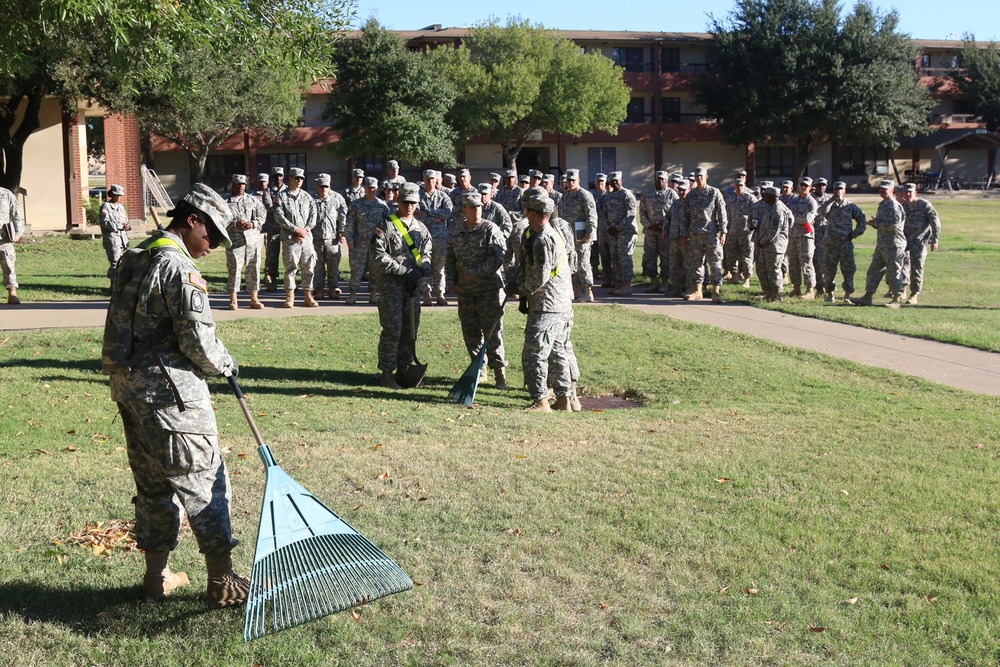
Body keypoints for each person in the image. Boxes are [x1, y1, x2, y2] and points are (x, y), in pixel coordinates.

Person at [101, 183, 249, 608]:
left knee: (152, 487)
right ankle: (222, 582)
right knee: (205, 483)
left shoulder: (136, 256)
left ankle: (157, 577)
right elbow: (198, 342)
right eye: (213, 236)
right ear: (192, 220)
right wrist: (225, 364)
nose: (214, 246)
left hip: (130, 392)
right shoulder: (177, 267)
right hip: (173, 397)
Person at [515, 192, 574, 412]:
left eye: (527, 211)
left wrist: (520, 289)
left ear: (532, 213)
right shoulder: (547, 234)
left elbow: (539, 277)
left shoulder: (543, 239)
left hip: (547, 304)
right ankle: (563, 399)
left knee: (534, 352)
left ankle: (541, 400)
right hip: (559, 303)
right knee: (557, 350)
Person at [370, 183, 432, 388]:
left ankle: (404, 368)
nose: (410, 206)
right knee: (392, 328)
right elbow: (379, 256)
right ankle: (387, 373)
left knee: (410, 329)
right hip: (391, 286)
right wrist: (404, 272)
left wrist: (421, 271)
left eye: (413, 203)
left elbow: (427, 254)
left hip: (412, 287)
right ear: (398, 200)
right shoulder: (385, 225)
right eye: (406, 202)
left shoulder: (421, 229)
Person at [445, 192, 509, 389]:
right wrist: (451, 281)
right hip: (466, 292)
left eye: (479, 206)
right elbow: (450, 258)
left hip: (489, 291)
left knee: (493, 333)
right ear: (464, 209)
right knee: (471, 333)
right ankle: (480, 370)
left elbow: (498, 258)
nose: (476, 210)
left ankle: (500, 374)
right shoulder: (457, 232)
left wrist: (475, 273)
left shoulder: (491, 229)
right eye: (472, 207)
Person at [852, 180, 906, 308]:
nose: (882, 191)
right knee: (874, 270)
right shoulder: (882, 205)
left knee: (894, 271)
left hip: (894, 245)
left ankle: (897, 300)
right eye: (881, 189)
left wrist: (876, 223)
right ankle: (867, 296)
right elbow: (883, 225)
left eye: (885, 189)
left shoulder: (894, 206)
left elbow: (894, 226)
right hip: (882, 244)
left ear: (892, 190)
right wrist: (876, 223)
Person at [681, 166, 728, 303]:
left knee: (715, 263)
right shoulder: (691, 195)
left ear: (706, 177)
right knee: (696, 263)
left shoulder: (714, 193)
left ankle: (716, 292)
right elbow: (685, 216)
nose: (699, 178)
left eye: (701, 176)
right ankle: (697, 291)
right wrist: (684, 234)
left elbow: (722, 213)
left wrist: (723, 231)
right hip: (695, 234)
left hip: (711, 234)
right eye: (696, 177)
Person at [274, 167, 318, 308]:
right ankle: (290, 296)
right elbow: (278, 216)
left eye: (301, 178)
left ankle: (308, 296)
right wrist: (295, 230)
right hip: (290, 239)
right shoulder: (281, 197)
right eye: (296, 178)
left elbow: (314, 216)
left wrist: (305, 230)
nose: (299, 180)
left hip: (306, 239)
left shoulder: (307, 197)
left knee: (309, 267)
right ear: (290, 178)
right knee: (290, 268)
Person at [816, 181, 866, 302]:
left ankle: (847, 295)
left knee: (848, 269)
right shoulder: (829, 205)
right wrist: (832, 199)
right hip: (830, 243)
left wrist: (854, 234)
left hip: (845, 243)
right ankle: (830, 294)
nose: (838, 191)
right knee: (828, 269)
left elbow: (862, 220)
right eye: (836, 189)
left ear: (845, 191)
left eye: (841, 189)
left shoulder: (850, 206)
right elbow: (821, 212)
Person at [344, 177, 390, 305]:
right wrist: (350, 240)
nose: (371, 190)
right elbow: (350, 224)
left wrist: (383, 238)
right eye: (369, 188)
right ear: (364, 188)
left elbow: (389, 224)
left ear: (377, 188)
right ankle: (353, 294)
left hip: (376, 244)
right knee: (356, 270)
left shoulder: (382, 205)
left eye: (373, 188)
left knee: (375, 270)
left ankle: (373, 294)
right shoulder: (356, 204)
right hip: (359, 243)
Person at [224, 174, 266, 310]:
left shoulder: (252, 200)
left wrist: (253, 223)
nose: (241, 187)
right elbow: (220, 219)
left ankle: (254, 298)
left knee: (253, 269)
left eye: (243, 184)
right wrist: (234, 223)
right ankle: (233, 300)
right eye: (238, 184)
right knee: (234, 269)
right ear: (232, 184)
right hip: (235, 241)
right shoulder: (225, 202)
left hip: (252, 240)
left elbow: (262, 214)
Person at [557, 168, 598, 302]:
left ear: (578, 181)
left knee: (583, 263)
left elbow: (591, 216)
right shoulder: (565, 196)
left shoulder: (585, 195)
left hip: (582, 236)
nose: (571, 183)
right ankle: (576, 291)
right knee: (571, 263)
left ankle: (588, 292)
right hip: (568, 237)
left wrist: (590, 234)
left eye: (573, 180)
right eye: (568, 180)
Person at [415, 169, 454, 307]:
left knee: (439, 267)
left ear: (436, 180)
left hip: (440, 238)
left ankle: (440, 294)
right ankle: (426, 293)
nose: (431, 181)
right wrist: (436, 218)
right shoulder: (418, 197)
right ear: (424, 180)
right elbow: (417, 216)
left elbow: (448, 212)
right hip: (422, 238)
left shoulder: (443, 197)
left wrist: (429, 214)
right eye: (428, 179)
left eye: (433, 179)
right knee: (424, 265)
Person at [898, 183, 941, 305]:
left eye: (910, 192)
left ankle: (914, 294)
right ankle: (903, 289)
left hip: (920, 241)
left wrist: (934, 240)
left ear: (915, 193)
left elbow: (935, 222)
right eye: (905, 193)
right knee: (901, 265)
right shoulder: (902, 206)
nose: (907, 195)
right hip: (905, 241)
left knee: (917, 267)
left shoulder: (924, 205)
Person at [751, 186, 792, 302]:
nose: (764, 198)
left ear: (772, 197)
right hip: (766, 245)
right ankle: (769, 293)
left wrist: (762, 241)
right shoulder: (771, 207)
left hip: (774, 246)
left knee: (773, 270)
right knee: (763, 269)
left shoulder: (778, 209)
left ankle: (777, 296)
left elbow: (774, 231)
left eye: (766, 195)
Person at [639, 171, 676, 293]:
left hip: (665, 232)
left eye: (662, 180)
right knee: (650, 257)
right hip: (651, 232)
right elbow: (642, 213)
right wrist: (650, 225)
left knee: (665, 257)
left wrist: (665, 226)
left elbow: (676, 214)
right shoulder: (647, 194)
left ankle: (665, 282)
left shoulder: (672, 195)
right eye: (658, 180)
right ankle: (654, 282)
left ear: (667, 181)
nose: (660, 182)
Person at [602, 171, 638, 296]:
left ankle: (627, 285)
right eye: (612, 181)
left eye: (617, 180)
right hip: (612, 233)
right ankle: (618, 283)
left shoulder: (627, 194)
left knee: (624, 258)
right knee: (615, 258)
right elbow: (605, 214)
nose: (615, 182)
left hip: (626, 232)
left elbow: (631, 214)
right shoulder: (608, 197)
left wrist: (618, 227)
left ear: (621, 180)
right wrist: (609, 227)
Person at [313, 173, 348, 299]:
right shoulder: (313, 202)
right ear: (317, 186)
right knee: (318, 267)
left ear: (329, 187)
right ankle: (319, 289)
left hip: (332, 239)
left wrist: (342, 232)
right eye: (321, 186)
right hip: (316, 240)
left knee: (333, 267)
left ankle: (333, 288)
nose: (323, 189)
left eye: (326, 187)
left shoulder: (336, 202)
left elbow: (342, 218)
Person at [785, 177, 818, 298]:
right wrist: (797, 218)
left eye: (806, 185)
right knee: (793, 262)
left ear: (810, 188)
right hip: (793, 236)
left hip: (805, 236)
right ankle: (796, 288)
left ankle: (810, 290)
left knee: (806, 262)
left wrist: (795, 218)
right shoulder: (793, 201)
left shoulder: (811, 202)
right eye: (802, 185)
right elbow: (788, 216)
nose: (803, 187)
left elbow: (808, 218)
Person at [723, 176, 758, 288]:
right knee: (731, 253)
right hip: (733, 230)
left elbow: (757, 213)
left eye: (741, 186)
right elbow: (728, 213)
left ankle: (746, 278)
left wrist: (753, 226)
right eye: (737, 186)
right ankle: (733, 276)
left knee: (747, 255)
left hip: (747, 232)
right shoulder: (731, 199)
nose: (739, 188)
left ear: (745, 186)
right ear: (734, 187)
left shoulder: (750, 198)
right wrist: (727, 227)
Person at [261, 167, 287, 291]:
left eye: (280, 175)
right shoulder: (267, 191)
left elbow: (290, 208)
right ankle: (273, 281)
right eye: (276, 175)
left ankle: (290, 281)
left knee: (290, 255)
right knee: (272, 256)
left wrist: (277, 202)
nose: (278, 178)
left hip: (287, 227)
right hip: (273, 227)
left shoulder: (288, 190)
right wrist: (278, 204)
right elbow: (268, 207)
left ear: (283, 176)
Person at [100, 184, 131, 284]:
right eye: (116, 195)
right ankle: (113, 285)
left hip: (123, 240)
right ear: (111, 194)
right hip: (112, 239)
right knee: (115, 262)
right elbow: (105, 222)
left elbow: (126, 220)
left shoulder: (121, 207)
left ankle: (120, 284)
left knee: (123, 263)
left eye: (119, 195)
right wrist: (119, 226)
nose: (118, 197)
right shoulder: (106, 207)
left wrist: (127, 226)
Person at [663, 179, 689, 297]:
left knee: (688, 265)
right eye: (680, 190)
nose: (682, 192)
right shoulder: (676, 203)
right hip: (674, 238)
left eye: (684, 190)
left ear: (689, 189)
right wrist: (665, 231)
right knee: (674, 265)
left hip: (687, 240)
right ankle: (676, 288)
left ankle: (690, 288)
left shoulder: (691, 204)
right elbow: (667, 218)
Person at [1, 185, 24, 304]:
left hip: (4, 239)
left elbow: (16, 215)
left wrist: (18, 232)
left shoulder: (6, 194)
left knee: (9, 266)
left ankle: (12, 293)